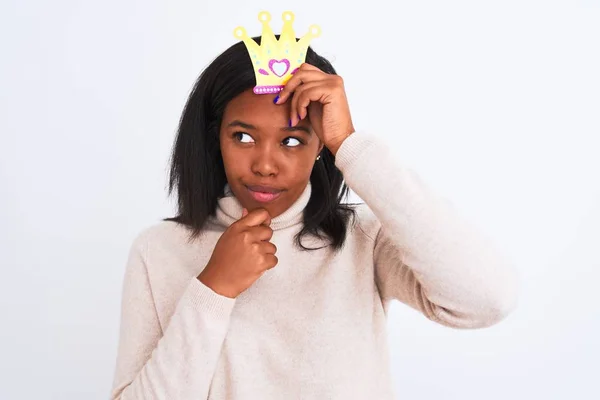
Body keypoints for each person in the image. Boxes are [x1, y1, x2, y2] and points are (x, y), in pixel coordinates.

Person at [109, 20, 518, 400]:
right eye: (243, 136)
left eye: (292, 141)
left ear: (319, 143)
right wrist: (213, 289)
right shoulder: (159, 251)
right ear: (216, 137)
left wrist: (350, 144)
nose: (265, 164)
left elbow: (488, 298)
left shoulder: (364, 240)